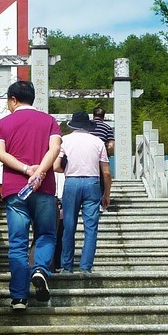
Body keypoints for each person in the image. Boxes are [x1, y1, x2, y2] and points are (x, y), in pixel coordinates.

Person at [0, 79, 62, 310]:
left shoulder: (3, 124)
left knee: (18, 243)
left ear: (13, 99)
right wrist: (40, 172)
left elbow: (0, 153)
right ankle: (40, 269)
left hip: (15, 190)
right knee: (46, 235)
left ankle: (19, 298)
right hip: (44, 187)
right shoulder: (50, 121)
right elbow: (54, 149)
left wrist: (25, 169)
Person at [55, 111, 111, 274]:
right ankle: (86, 267)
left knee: (68, 226)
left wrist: (69, 168)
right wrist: (106, 194)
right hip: (92, 183)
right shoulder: (98, 142)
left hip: (71, 182)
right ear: (88, 126)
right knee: (91, 227)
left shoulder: (65, 140)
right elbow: (106, 172)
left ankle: (67, 266)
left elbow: (56, 166)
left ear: (73, 125)